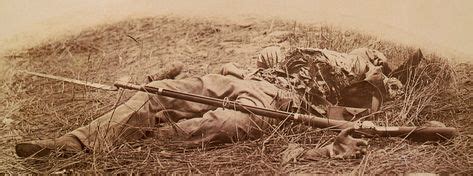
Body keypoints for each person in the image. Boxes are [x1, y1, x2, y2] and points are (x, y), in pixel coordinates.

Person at [15, 46, 417, 160]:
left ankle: (133, 142)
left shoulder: (373, 83)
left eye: (380, 60)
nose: (373, 58)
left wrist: (379, 81)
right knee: (160, 94)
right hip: (248, 80)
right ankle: (74, 144)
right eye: (373, 55)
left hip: (281, 101)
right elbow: (267, 55)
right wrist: (268, 58)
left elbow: (357, 108)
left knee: (215, 127)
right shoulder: (315, 49)